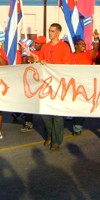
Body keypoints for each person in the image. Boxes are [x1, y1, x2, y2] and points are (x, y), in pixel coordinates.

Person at [31, 23, 71, 151]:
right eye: (49, 31)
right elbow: (41, 62)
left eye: (52, 31)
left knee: (57, 114)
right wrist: (37, 60)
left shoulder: (64, 47)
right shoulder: (45, 47)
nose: (50, 33)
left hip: (58, 83)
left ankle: (57, 141)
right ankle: (50, 135)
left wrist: (50, 64)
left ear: (58, 33)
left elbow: (66, 67)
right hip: (46, 83)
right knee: (45, 112)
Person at [69, 32, 100, 135]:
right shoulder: (70, 56)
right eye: (81, 44)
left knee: (80, 106)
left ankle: (77, 127)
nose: (84, 46)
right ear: (76, 46)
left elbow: (95, 49)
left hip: (83, 85)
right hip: (72, 85)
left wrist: (95, 40)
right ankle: (76, 121)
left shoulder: (87, 55)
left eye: (84, 44)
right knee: (74, 105)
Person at [19, 36, 46, 133]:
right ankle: (28, 122)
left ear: (43, 44)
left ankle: (48, 124)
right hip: (32, 82)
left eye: (38, 43)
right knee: (29, 102)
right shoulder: (32, 52)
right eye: (36, 43)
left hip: (43, 82)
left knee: (44, 103)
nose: (36, 44)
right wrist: (25, 56)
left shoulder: (45, 52)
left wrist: (37, 61)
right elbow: (23, 65)